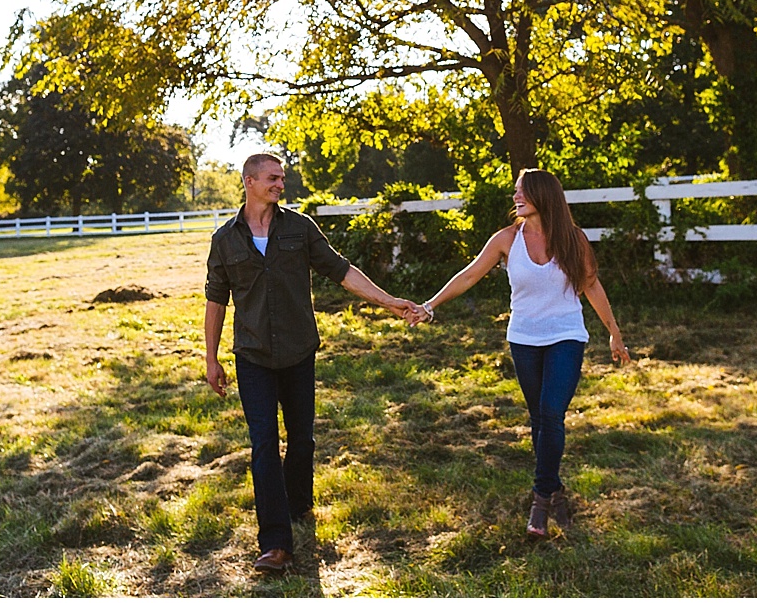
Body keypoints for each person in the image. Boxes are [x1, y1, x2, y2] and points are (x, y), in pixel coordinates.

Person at [203, 153, 425, 575]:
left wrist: (390, 301)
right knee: (264, 444)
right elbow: (217, 299)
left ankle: (299, 504)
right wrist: (210, 357)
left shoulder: (299, 228)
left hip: (299, 352)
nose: (280, 185)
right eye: (272, 178)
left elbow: (343, 271)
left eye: (282, 179)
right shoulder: (225, 240)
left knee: (301, 438)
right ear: (249, 182)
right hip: (252, 357)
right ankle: (275, 542)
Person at [415, 167, 629, 537]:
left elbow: (591, 285)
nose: (515, 198)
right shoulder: (506, 239)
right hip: (524, 339)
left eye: (522, 192)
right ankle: (556, 489)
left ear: (542, 197)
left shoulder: (572, 239)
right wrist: (430, 305)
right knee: (540, 419)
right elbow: (469, 275)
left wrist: (614, 333)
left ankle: (540, 500)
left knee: (551, 412)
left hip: (566, 335)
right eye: (515, 191)